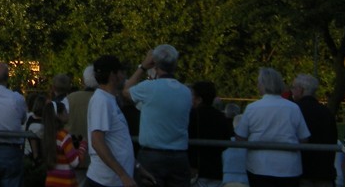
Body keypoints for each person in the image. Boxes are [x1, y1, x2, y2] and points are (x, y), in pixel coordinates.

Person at [126, 45, 192, 187]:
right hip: (179, 156)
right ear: (175, 64)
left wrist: (143, 67)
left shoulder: (149, 88)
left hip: (151, 156)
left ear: (155, 64)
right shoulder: (186, 92)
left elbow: (125, 91)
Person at [234, 68, 309, 187]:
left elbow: (240, 137)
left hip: (259, 166)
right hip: (289, 167)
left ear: (263, 85)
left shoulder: (252, 108)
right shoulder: (293, 108)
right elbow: (304, 138)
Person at [86, 54, 135, 187]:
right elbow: (97, 141)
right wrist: (123, 175)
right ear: (113, 75)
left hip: (112, 180)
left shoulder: (108, 99)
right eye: (121, 72)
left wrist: (137, 167)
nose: (124, 76)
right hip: (105, 180)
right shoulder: (102, 101)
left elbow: (117, 140)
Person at [290, 74, 337, 187]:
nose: (292, 91)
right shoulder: (326, 112)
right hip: (325, 172)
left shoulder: (294, 110)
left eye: (293, 87)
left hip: (302, 172)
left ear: (300, 90)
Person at [189, 81, 234, 187]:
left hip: (195, 169)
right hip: (215, 169)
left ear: (199, 98)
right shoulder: (220, 116)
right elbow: (226, 142)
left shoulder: (192, 115)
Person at [45, 101, 88, 187]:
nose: (67, 113)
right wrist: (83, 144)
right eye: (65, 111)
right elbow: (75, 162)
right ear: (59, 115)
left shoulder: (48, 135)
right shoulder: (63, 136)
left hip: (51, 181)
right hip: (65, 182)